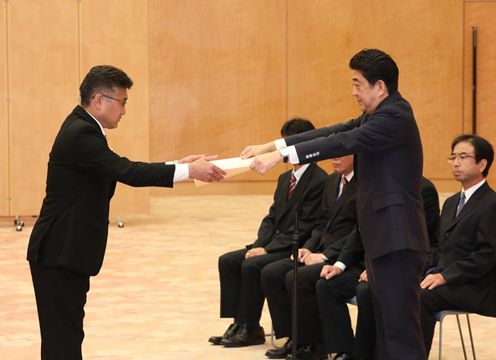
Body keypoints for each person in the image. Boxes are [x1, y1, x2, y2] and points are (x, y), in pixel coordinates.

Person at [27, 65, 226, 360]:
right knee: (62, 338)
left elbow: (119, 167)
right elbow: (128, 171)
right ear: (99, 100)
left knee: (66, 334)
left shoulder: (84, 127)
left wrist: (178, 164)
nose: (124, 111)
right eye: (122, 103)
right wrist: (187, 170)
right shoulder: (81, 133)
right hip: (59, 251)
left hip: (66, 250)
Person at [241, 48, 429, 359]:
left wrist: (282, 156)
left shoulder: (394, 117)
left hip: (397, 240)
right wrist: (272, 145)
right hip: (383, 239)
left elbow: (341, 143)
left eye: (358, 83)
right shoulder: (378, 114)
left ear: (379, 86)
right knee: (386, 328)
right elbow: (334, 131)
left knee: (399, 331)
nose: (353, 91)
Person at [208, 118, 328, 348]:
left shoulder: (320, 180)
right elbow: (272, 217)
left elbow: (305, 226)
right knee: (229, 261)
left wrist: (267, 249)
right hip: (274, 243)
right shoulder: (285, 179)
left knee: (252, 265)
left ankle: (250, 327)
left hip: (294, 246)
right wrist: (258, 244)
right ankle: (240, 323)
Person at [316, 176, 440, 360]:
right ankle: (344, 351)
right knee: (327, 285)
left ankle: (365, 354)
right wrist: (339, 265)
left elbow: (416, 238)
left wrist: (381, 267)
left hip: (400, 264)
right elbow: (359, 232)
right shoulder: (374, 184)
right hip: (370, 262)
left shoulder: (422, 189)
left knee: (367, 291)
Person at [261, 154, 357, 360]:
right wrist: (307, 247)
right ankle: (295, 338)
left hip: (346, 255)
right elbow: (322, 223)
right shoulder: (333, 180)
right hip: (321, 248)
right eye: (334, 153)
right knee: (271, 272)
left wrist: (325, 255)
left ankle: (315, 344)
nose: (335, 158)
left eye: (342, 154)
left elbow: (358, 233)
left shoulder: (365, 185)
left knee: (297, 277)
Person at [420, 134, 496, 356]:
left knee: (420, 297)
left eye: (463, 157)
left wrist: (445, 276)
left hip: (476, 286)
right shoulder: (453, 201)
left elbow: (486, 256)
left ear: (482, 164)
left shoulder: (491, 203)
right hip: (448, 278)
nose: (455, 163)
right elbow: (438, 246)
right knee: (397, 287)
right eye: (453, 157)